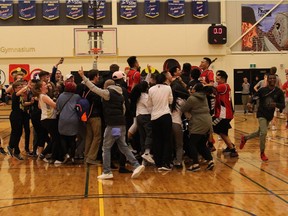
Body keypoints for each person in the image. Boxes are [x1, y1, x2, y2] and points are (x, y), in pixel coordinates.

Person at [78, 67, 145, 180]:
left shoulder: (108, 93)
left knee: (106, 147)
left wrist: (83, 77)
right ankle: (137, 165)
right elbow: (123, 110)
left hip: (113, 125)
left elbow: (93, 88)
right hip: (120, 124)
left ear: (106, 87)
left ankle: (107, 171)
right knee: (122, 145)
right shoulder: (120, 94)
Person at [240, 73, 285, 161]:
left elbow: (282, 105)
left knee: (259, 132)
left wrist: (275, 104)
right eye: (270, 78)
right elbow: (254, 97)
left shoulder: (278, 92)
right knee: (263, 133)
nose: (272, 80)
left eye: (273, 78)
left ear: (275, 80)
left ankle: (245, 138)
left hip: (269, 115)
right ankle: (262, 153)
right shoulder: (262, 90)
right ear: (267, 80)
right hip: (261, 114)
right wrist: (250, 103)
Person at [181, 83, 214, 171]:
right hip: (207, 121)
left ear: (195, 90)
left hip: (198, 122)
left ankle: (195, 164)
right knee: (202, 144)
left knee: (192, 143)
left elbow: (183, 109)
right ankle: (210, 160)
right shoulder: (204, 97)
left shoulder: (191, 98)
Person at [148, 71, 173, 171]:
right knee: (167, 140)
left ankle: (158, 162)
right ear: (164, 79)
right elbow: (171, 101)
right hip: (166, 115)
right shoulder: (168, 88)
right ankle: (165, 163)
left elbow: (149, 104)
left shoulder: (151, 89)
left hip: (154, 117)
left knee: (157, 140)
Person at [213, 70, 238, 157]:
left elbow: (210, 89)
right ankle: (230, 145)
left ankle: (232, 149)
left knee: (214, 127)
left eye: (218, 78)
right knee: (222, 131)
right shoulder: (224, 86)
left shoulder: (223, 86)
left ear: (223, 79)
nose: (216, 79)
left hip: (223, 115)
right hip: (224, 113)